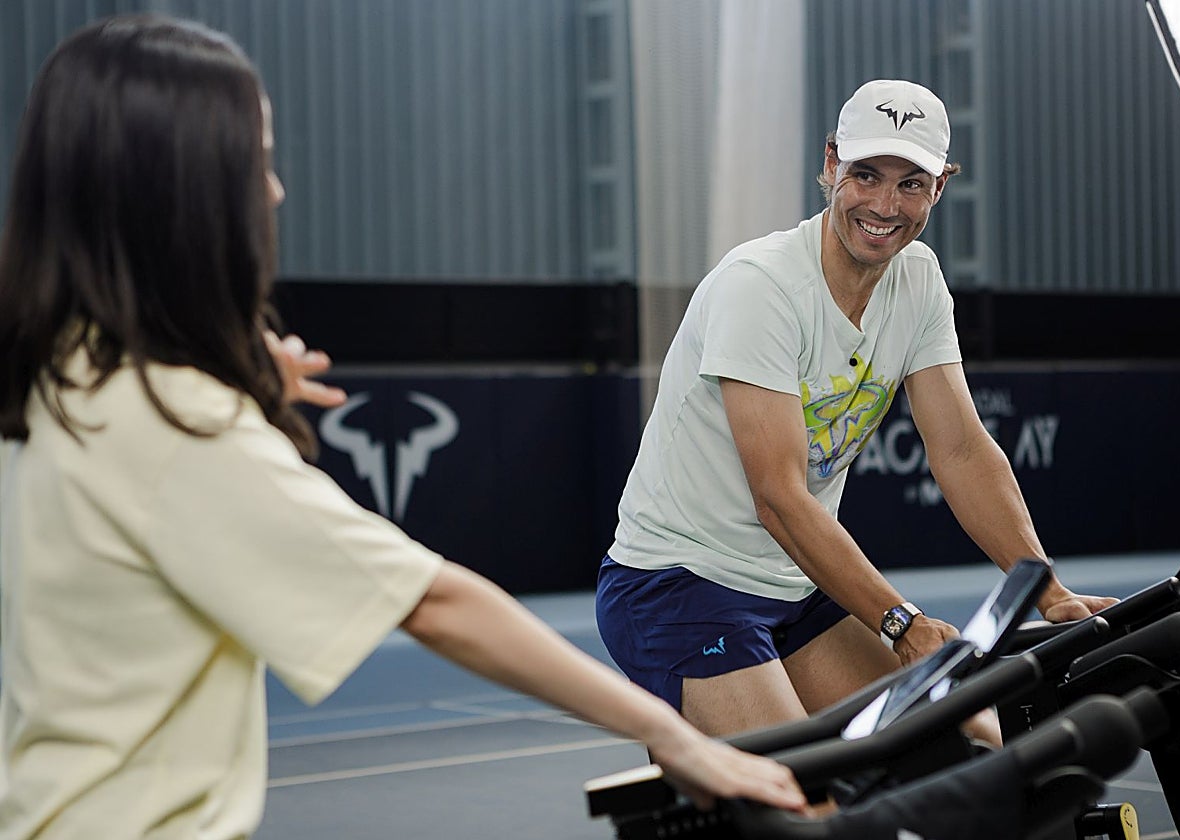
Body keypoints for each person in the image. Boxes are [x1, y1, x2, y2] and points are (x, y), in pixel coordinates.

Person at [0, 15, 811, 837]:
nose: (274, 191)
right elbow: (435, 604)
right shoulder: (174, 428)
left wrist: (240, 393)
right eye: (256, 162)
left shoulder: (61, 381)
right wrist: (675, 736)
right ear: (181, 193)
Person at [595, 79, 1117, 739]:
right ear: (831, 164)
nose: (883, 204)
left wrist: (1046, 589)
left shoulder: (919, 280)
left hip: (798, 585)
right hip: (678, 585)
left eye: (910, 183)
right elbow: (779, 497)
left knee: (974, 748)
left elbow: (959, 449)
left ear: (940, 187)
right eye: (866, 174)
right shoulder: (760, 286)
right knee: (807, 806)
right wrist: (899, 621)